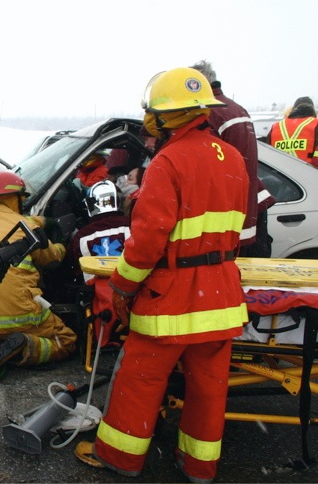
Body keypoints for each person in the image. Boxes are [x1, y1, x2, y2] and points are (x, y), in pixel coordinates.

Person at [75, 68, 249, 483]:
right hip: (221, 296)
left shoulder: (169, 161)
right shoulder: (233, 157)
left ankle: (120, 457)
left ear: (163, 117)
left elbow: (148, 241)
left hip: (172, 297)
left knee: (140, 378)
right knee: (208, 389)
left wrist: (122, 286)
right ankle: (199, 466)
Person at [0, 171, 76, 370]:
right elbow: (54, 260)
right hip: (19, 318)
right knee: (66, 340)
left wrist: (40, 221)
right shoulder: (28, 228)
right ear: (17, 199)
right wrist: (61, 242)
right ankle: (24, 347)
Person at [191, 60, 275, 257]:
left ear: (197, 86)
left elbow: (206, 169)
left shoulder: (208, 113)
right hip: (250, 203)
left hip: (230, 212)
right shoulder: (235, 108)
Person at [267, 95, 318, 167]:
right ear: (312, 109)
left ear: (293, 109)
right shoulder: (315, 124)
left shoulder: (276, 127)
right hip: (307, 172)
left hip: (278, 172)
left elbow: (267, 155)